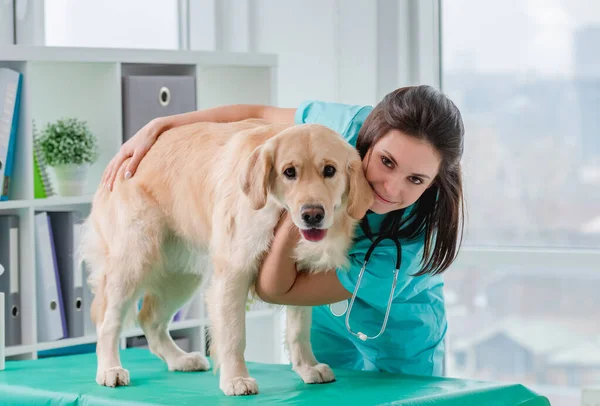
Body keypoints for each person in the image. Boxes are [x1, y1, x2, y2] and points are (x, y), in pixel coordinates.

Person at [102, 85, 465, 377]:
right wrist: (163, 124)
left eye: (416, 179)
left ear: (435, 181)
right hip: (326, 327)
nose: (390, 187)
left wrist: (297, 213)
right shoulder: (333, 135)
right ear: (369, 135)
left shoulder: (408, 242)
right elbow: (257, 114)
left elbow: (278, 289)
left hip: (397, 335)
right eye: (386, 161)